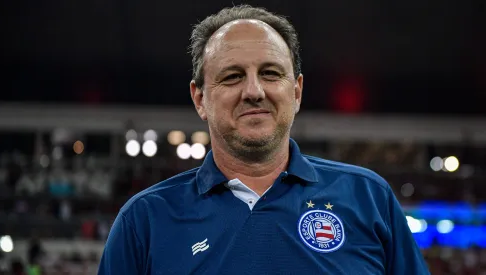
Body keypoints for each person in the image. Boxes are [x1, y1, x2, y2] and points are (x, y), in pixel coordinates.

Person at [98, 5, 429, 274]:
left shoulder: (368, 198)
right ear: (200, 99)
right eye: (232, 77)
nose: (254, 92)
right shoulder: (144, 221)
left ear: (296, 92)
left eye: (271, 73)